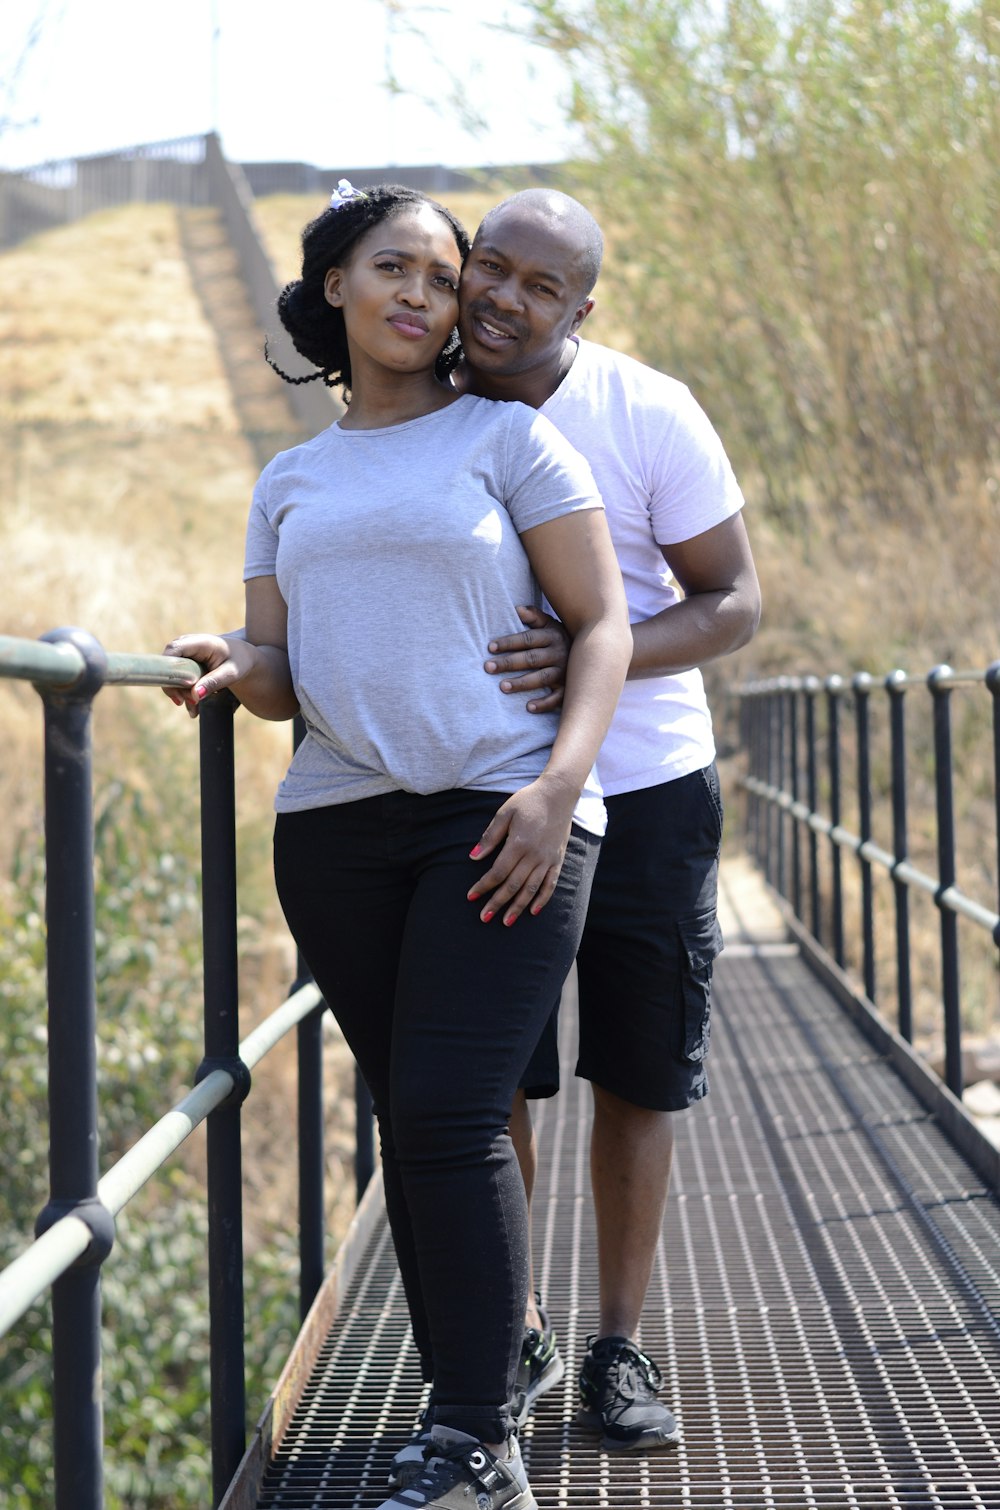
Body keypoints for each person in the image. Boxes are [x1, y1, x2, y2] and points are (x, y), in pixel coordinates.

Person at [162, 181, 632, 1510]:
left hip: (500, 811)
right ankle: (477, 1391)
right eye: (396, 269)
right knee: (413, 1120)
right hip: (337, 828)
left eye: (445, 275)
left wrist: (557, 788)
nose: (427, 295)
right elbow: (277, 665)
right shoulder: (291, 476)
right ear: (336, 290)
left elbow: (599, 626)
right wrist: (230, 655)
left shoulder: (510, 440)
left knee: (445, 1110)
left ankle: (479, 1439)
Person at [452, 188, 762, 1453]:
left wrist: (596, 655)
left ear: (583, 306)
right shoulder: (418, 397)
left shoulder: (646, 410)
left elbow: (734, 601)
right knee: (497, 1080)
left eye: (541, 285)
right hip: (473, 797)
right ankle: (514, 1329)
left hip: (642, 793)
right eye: (492, 267)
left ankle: (616, 1344)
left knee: (639, 1071)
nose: (505, 297)